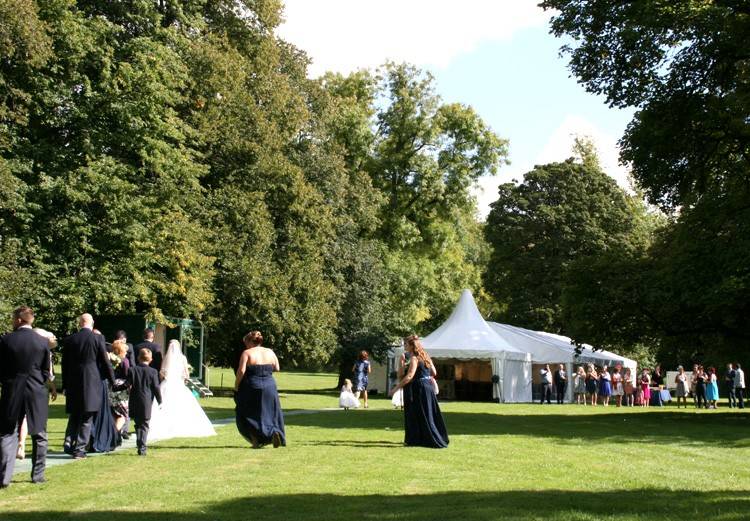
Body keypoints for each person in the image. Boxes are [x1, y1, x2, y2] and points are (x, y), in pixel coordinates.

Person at [0, 307, 55, 487]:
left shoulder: (6, 340)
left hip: (13, 389)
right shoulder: (42, 342)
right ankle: (38, 475)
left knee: (8, 432)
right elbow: (46, 370)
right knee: (39, 433)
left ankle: (4, 477)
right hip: (36, 391)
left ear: (18, 320)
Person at [62, 313, 114, 459]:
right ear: (92, 323)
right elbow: (105, 361)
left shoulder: (70, 340)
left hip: (73, 381)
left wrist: (65, 385)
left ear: (79, 323)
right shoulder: (97, 338)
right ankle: (79, 449)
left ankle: (68, 442)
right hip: (91, 380)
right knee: (87, 417)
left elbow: (65, 365)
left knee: (75, 414)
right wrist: (112, 379)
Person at [148, 340, 215, 442]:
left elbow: (162, 372)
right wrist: (183, 378)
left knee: (165, 405)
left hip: (167, 384)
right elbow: (186, 375)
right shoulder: (182, 358)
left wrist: (162, 379)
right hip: (178, 384)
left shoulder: (166, 357)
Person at [389, 335, 448, 448]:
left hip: (419, 387)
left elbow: (410, 375)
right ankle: (422, 438)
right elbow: (434, 372)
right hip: (428, 386)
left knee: (421, 413)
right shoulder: (425, 355)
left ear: (411, 346)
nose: (404, 346)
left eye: (406, 344)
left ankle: (426, 439)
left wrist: (396, 388)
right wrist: (424, 374)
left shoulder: (414, 358)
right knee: (427, 413)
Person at [234, 331, 285, 448]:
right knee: (270, 412)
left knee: (247, 411)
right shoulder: (270, 351)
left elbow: (241, 371)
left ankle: (255, 441)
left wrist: (236, 385)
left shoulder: (247, 353)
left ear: (250, 341)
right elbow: (277, 368)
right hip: (269, 386)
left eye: (246, 343)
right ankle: (273, 432)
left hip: (252, 386)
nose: (245, 345)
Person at [16, 329, 57, 461]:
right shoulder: (45, 350)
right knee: (36, 424)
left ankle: (20, 443)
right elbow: (48, 374)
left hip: (19, 388)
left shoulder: (21, 345)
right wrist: (52, 388)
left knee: (22, 420)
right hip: (37, 390)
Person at [87, 329, 118, 453]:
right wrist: (112, 381)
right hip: (100, 382)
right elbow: (106, 365)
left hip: (91, 383)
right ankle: (97, 439)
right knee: (100, 412)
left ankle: (91, 439)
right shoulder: (102, 350)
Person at [127, 348, 162, 456]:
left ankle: (140, 443)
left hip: (134, 399)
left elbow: (127, 384)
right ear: (150, 359)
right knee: (145, 424)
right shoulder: (153, 371)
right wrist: (160, 400)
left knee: (138, 423)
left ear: (138, 358)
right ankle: (142, 447)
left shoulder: (132, 370)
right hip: (146, 400)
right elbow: (156, 387)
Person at [108, 339, 131, 440]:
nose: (126, 352)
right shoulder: (124, 361)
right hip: (121, 389)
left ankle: (114, 436)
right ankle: (113, 435)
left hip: (111, 387)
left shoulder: (110, 359)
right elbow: (127, 375)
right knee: (123, 415)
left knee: (114, 414)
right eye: (125, 350)